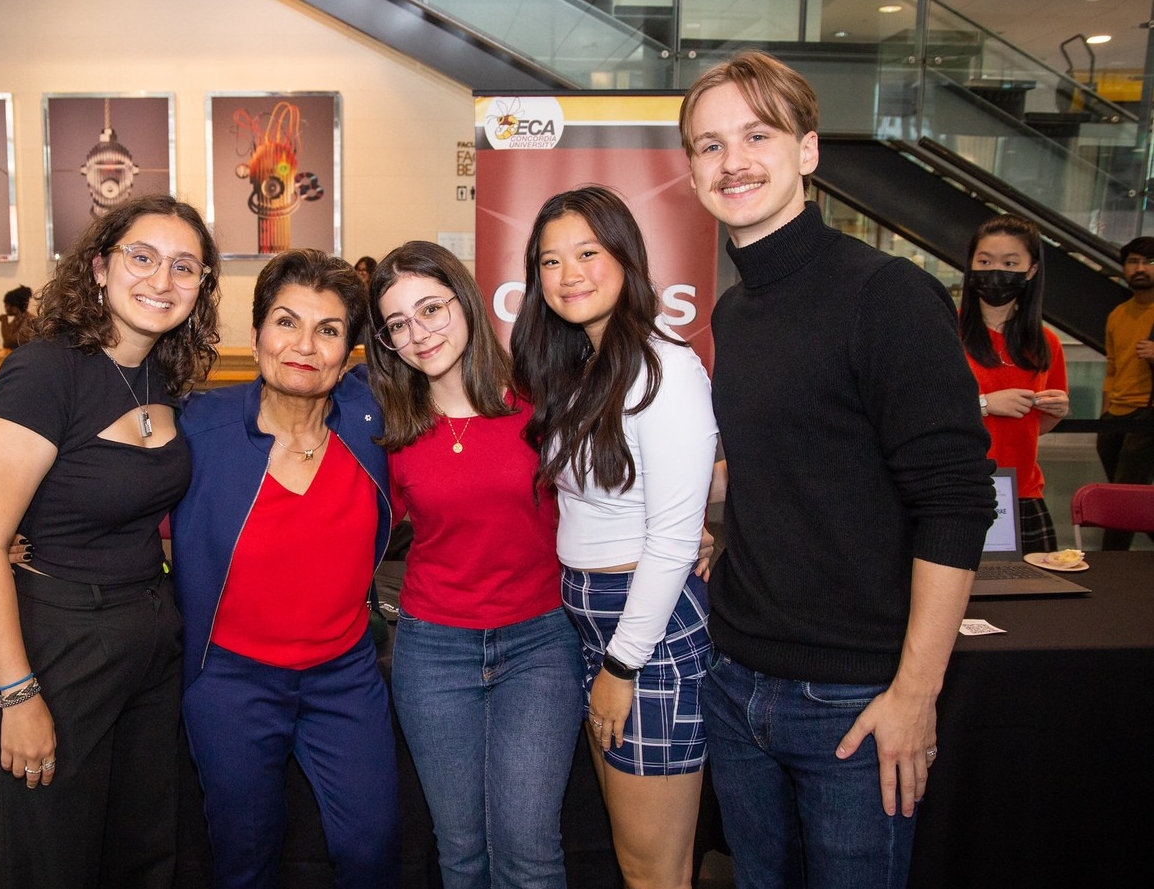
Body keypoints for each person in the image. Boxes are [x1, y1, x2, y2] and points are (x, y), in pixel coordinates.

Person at [678, 51, 996, 888]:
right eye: (709, 145)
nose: (732, 160)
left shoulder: (886, 295)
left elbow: (956, 503)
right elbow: (781, 459)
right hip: (735, 678)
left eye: (756, 134)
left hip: (854, 702)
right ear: (691, 170)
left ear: (808, 151)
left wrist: (916, 693)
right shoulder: (734, 309)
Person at [0, 193, 221, 889]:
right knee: (57, 854)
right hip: (64, 639)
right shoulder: (47, 370)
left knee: (142, 849)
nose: (161, 280)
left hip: (150, 633)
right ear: (100, 267)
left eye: (184, 267)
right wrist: (18, 695)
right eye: (143, 257)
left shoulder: (161, 371)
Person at [510, 186, 719, 889]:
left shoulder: (665, 368)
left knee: (652, 869)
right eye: (549, 260)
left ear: (626, 257)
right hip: (597, 621)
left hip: (645, 634)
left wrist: (623, 666)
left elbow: (671, 539)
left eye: (587, 253)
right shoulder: (580, 368)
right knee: (634, 857)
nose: (568, 274)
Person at [171, 248, 399, 889]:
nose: (304, 345)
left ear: (350, 349)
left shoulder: (373, 424)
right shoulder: (199, 426)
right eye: (286, 321)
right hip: (230, 683)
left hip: (344, 677)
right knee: (243, 862)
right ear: (256, 334)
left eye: (328, 330)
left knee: (372, 852)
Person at [366, 241, 582, 888]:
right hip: (433, 650)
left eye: (430, 308)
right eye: (398, 323)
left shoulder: (540, 399)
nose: (419, 332)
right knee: (459, 851)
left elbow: (604, 496)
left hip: (541, 644)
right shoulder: (390, 424)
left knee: (529, 850)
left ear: (463, 300)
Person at [960, 213, 1071, 553]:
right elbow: (915, 410)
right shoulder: (944, 332)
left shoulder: (1046, 343)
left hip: (1022, 492)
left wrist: (1055, 412)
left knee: (1032, 601)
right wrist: (985, 403)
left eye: (1010, 262)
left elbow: (1033, 429)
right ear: (971, 265)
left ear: (1031, 270)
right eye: (985, 261)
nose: (996, 271)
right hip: (958, 491)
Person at [1096, 236, 1154, 549]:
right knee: (1128, 490)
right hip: (1116, 414)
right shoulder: (1118, 314)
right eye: (1133, 262)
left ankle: (1110, 558)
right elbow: (1113, 368)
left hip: (1148, 413)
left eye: (1149, 262)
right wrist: (1104, 416)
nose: (1140, 268)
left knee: (1123, 492)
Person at [0, 285, 35, 349]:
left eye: (6, 305)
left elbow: (8, 342)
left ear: (14, 308)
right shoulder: (17, 320)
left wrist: (4, 321)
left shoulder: (29, 322)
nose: (5, 308)